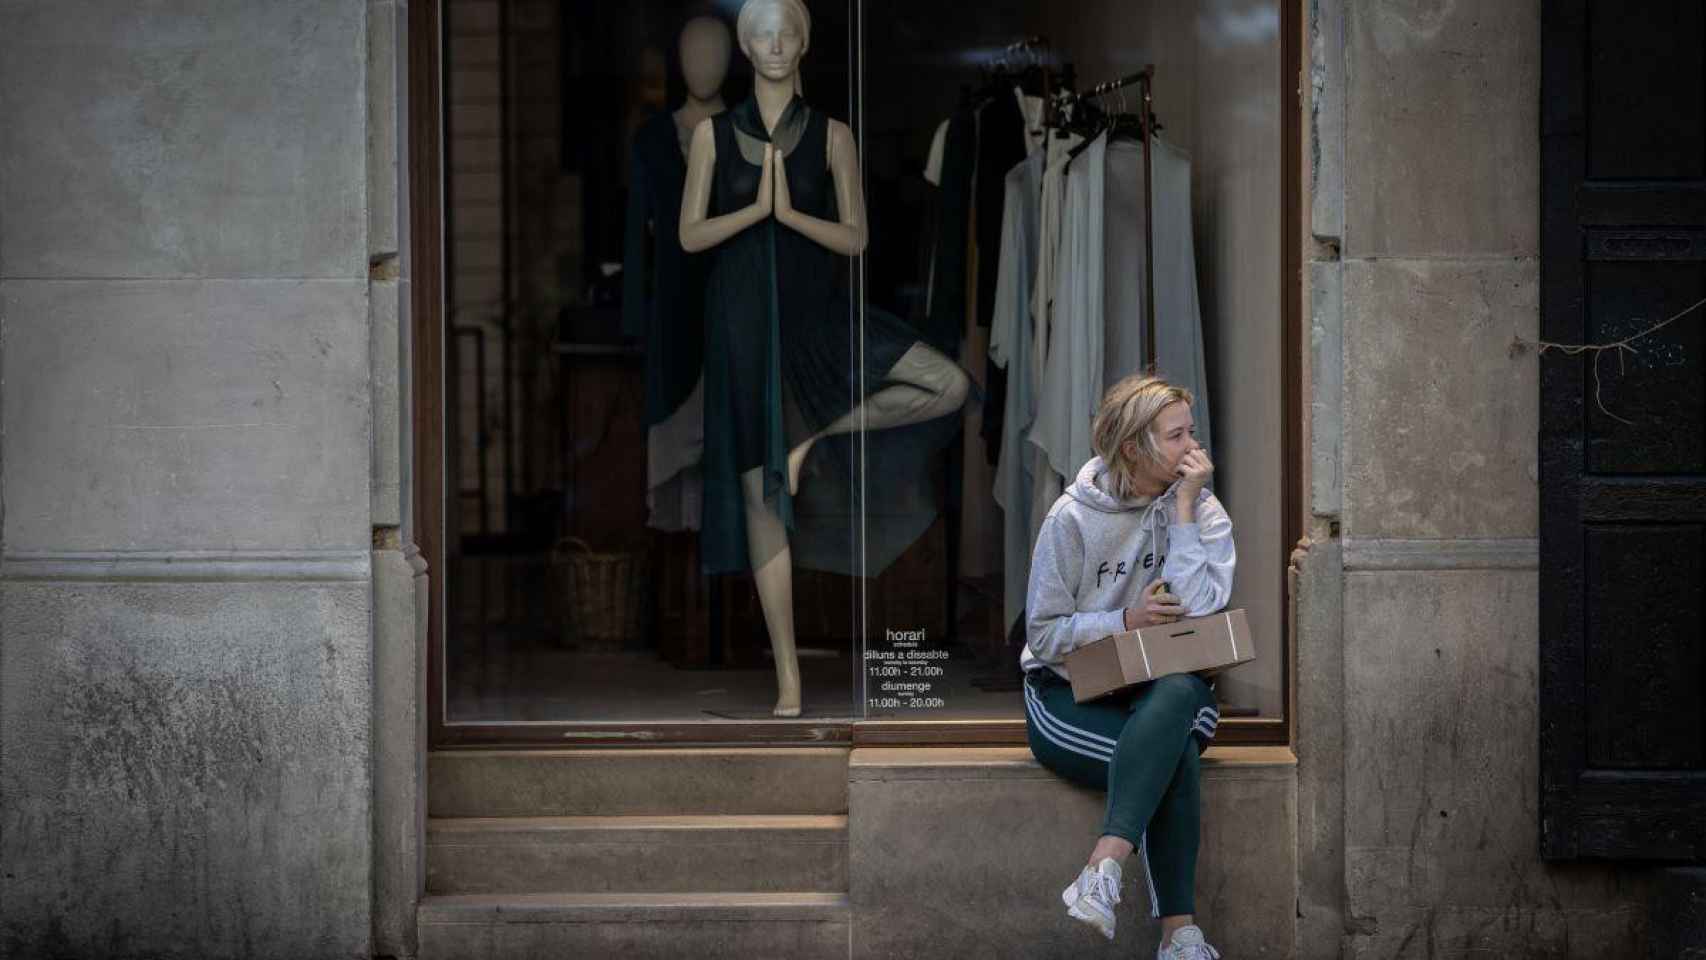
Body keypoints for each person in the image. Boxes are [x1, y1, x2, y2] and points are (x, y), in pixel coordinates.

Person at [1020, 374, 1234, 960]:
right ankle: (1179, 937)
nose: (1194, 449)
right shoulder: (1072, 517)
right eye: (1177, 436)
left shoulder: (1201, 506)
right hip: (1071, 693)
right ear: (1135, 447)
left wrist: (1185, 510)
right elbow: (1042, 633)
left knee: (1179, 694)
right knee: (1172, 757)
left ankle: (1102, 865)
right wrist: (1124, 621)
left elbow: (1201, 612)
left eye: (1192, 431)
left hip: (1163, 688)